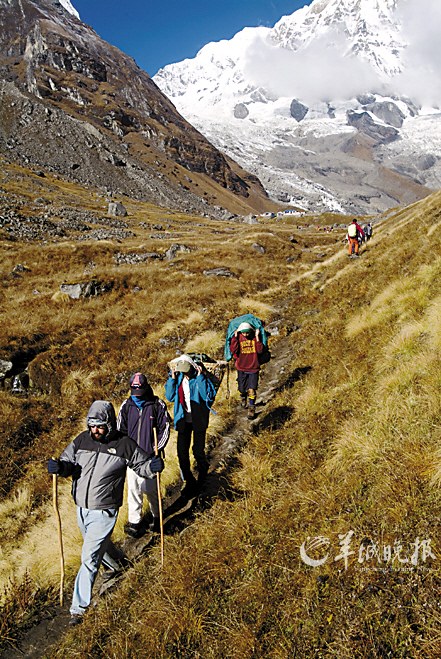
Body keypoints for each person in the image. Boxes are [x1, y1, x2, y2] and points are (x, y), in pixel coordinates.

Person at [47, 400, 163, 626]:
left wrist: (153, 467)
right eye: (92, 425)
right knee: (97, 545)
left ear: (109, 423)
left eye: (100, 426)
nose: (95, 430)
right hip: (81, 507)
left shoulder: (124, 444)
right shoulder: (82, 440)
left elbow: (142, 465)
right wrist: (60, 468)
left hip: (105, 509)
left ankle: (78, 609)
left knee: (89, 557)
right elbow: (68, 462)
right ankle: (116, 563)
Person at [117, 372, 170, 538]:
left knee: (151, 489)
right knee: (133, 489)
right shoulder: (126, 406)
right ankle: (135, 522)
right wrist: (125, 452)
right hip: (132, 457)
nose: (137, 396)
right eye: (135, 392)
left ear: (146, 388)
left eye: (140, 392)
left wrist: (156, 448)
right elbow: (120, 431)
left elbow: (165, 429)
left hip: (150, 457)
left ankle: (157, 516)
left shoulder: (157, 405)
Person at [165, 355, 217, 499]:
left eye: (186, 371)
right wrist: (172, 378)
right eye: (182, 371)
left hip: (198, 420)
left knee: (197, 450)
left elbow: (207, 397)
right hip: (183, 421)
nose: (185, 373)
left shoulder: (200, 378)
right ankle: (187, 479)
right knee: (182, 452)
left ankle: (203, 471)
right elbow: (169, 396)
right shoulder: (179, 378)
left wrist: (201, 378)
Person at [229, 322, 264, 420]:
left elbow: (260, 350)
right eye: (244, 333)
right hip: (241, 367)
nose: (245, 335)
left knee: (252, 389)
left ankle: (251, 408)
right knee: (241, 388)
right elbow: (233, 350)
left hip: (253, 367)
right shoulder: (238, 337)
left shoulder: (254, 337)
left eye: (247, 333)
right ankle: (243, 395)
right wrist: (235, 338)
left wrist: (257, 337)